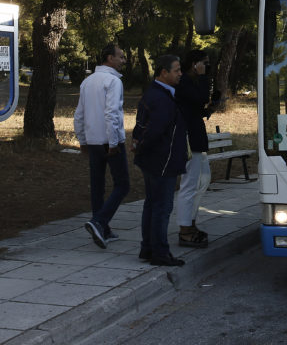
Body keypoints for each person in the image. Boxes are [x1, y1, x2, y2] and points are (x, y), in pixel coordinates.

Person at [133, 55, 188, 267]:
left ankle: (148, 248)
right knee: (161, 207)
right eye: (176, 70)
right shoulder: (161, 98)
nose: (180, 73)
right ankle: (160, 253)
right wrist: (141, 145)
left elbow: (141, 126)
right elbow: (154, 130)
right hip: (162, 160)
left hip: (153, 159)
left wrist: (138, 145)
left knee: (152, 204)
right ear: (163, 73)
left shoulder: (157, 93)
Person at [74, 43, 129, 249]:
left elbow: (79, 114)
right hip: (110, 142)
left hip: (93, 141)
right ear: (109, 58)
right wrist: (114, 143)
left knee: (97, 186)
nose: (123, 60)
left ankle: (102, 229)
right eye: (120, 57)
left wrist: (82, 141)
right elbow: (111, 113)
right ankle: (99, 222)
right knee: (123, 185)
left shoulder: (87, 82)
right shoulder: (113, 81)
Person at [175, 50, 213, 248]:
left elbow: (198, 106)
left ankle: (190, 222)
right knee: (190, 184)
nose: (207, 67)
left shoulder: (191, 83)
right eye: (204, 63)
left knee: (202, 179)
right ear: (194, 64)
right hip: (190, 139)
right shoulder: (185, 82)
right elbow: (199, 99)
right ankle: (185, 229)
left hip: (196, 136)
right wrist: (204, 77)